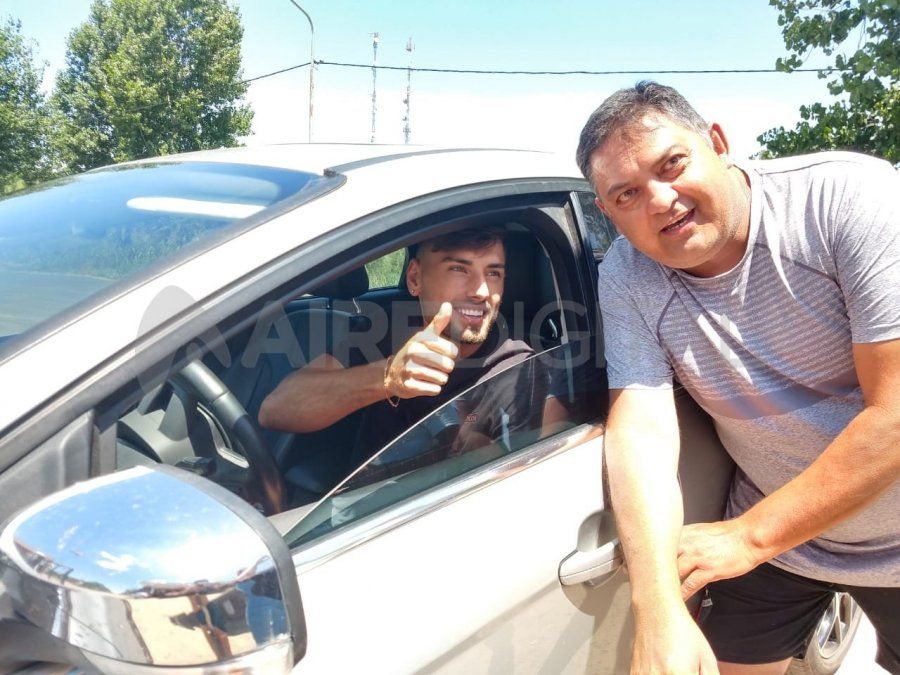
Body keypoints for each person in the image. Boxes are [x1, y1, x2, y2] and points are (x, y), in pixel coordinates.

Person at [576, 81, 899, 674]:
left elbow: (896, 413)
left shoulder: (845, 198)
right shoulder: (628, 274)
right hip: (782, 540)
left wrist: (748, 538)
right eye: (626, 194)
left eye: (672, 164)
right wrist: (658, 611)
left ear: (718, 142)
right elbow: (642, 426)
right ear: (608, 212)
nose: (659, 201)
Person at [258, 227, 545, 478]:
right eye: (459, 268)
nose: (481, 291)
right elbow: (276, 410)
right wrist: (388, 377)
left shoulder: (517, 369)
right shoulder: (385, 330)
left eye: (493, 273)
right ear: (414, 279)